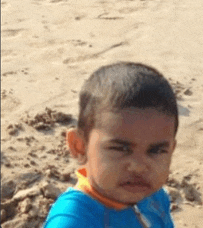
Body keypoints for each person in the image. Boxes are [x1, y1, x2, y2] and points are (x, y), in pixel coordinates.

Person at [43, 61, 178, 228]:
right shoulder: (73, 221)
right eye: (121, 148)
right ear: (80, 146)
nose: (139, 167)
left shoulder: (151, 194)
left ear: (171, 150)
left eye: (156, 150)